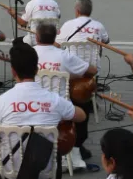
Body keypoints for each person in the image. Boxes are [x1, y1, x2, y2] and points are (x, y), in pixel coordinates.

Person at [0, 41, 86, 176]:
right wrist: (59, 116)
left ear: (13, 71)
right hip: (43, 171)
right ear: (36, 70)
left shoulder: (1, 102)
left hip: (9, 172)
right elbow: (81, 116)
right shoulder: (54, 100)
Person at [34, 23, 98, 170]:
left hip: (34, 104)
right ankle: (75, 148)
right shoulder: (64, 56)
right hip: (60, 107)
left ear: (36, 37)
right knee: (83, 104)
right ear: (55, 37)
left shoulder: (29, 54)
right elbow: (92, 70)